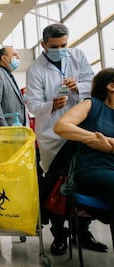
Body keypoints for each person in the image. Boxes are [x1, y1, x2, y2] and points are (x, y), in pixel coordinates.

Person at [26, 23, 106, 255]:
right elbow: (32, 105)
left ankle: (83, 231)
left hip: (80, 129)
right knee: (57, 184)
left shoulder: (78, 56)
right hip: (52, 135)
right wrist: (52, 104)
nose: (61, 49)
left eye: (64, 45)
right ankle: (60, 234)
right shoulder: (35, 70)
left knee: (81, 178)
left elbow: (92, 85)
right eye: (54, 47)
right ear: (44, 45)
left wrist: (76, 87)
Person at [54, 67, 114, 232]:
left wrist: (109, 146)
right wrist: (95, 139)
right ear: (111, 86)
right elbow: (61, 126)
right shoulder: (92, 104)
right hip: (92, 170)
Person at [0, 47, 27, 126]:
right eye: (14, 55)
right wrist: (4, 128)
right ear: (4, 58)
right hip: (6, 129)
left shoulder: (9, 76)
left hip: (16, 128)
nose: (18, 58)